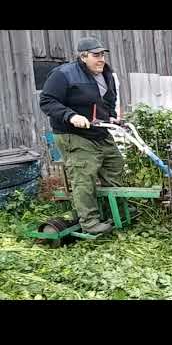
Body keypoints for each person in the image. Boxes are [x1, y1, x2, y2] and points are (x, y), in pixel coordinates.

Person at [40, 37, 124, 235]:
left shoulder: (107, 74)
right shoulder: (63, 74)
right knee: (84, 175)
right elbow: (47, 101)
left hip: (98, 131)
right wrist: (71, 116)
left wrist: (111, 116)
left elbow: (108, 99)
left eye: (102, 54)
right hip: (73, 134)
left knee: (115, 166)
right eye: (96, 55)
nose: (101, 59)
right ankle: (90, 222)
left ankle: (116, 211)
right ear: (83, 56)